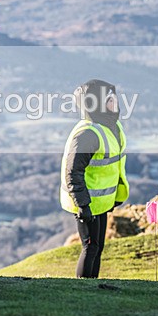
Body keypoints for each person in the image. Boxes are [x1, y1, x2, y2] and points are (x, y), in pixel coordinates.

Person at [60, 79, 129, 278]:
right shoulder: (88, 134)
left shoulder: (111, 127)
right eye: (109, 98)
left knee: (98, 247)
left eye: (114, 97)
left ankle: (93, 288)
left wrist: (114, 197)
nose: (115, 101)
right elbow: (72, 172)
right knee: (90, 247)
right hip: (86, 202)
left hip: (101, 202)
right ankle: (82, 289)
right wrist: (83, 205)